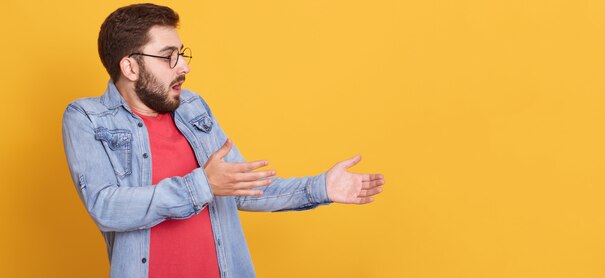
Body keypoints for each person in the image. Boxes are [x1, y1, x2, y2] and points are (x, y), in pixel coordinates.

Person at [62, 3, 385, 278]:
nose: (184, 67)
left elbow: (240, 186)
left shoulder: (192, 107)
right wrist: (202, 184)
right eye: (168, 56)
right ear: (130, 66)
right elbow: (106, 207)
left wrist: (320, 187)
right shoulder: (87, 117)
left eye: (182, 54)